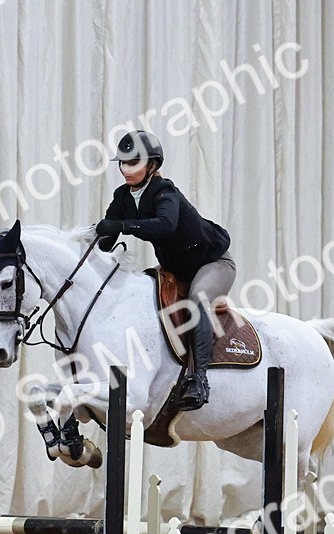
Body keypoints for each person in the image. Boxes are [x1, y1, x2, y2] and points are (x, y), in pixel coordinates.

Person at [94, 131, 235, 410]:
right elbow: (105, 240)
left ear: (153, 166)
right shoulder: (122, 196)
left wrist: (121, 226)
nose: (126, 170)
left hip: (213, 263)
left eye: (133, 163)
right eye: (122, 163)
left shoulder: (165, 191)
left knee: (197, 300)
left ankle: (199, 379)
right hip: (175, 268)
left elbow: (165, 225)